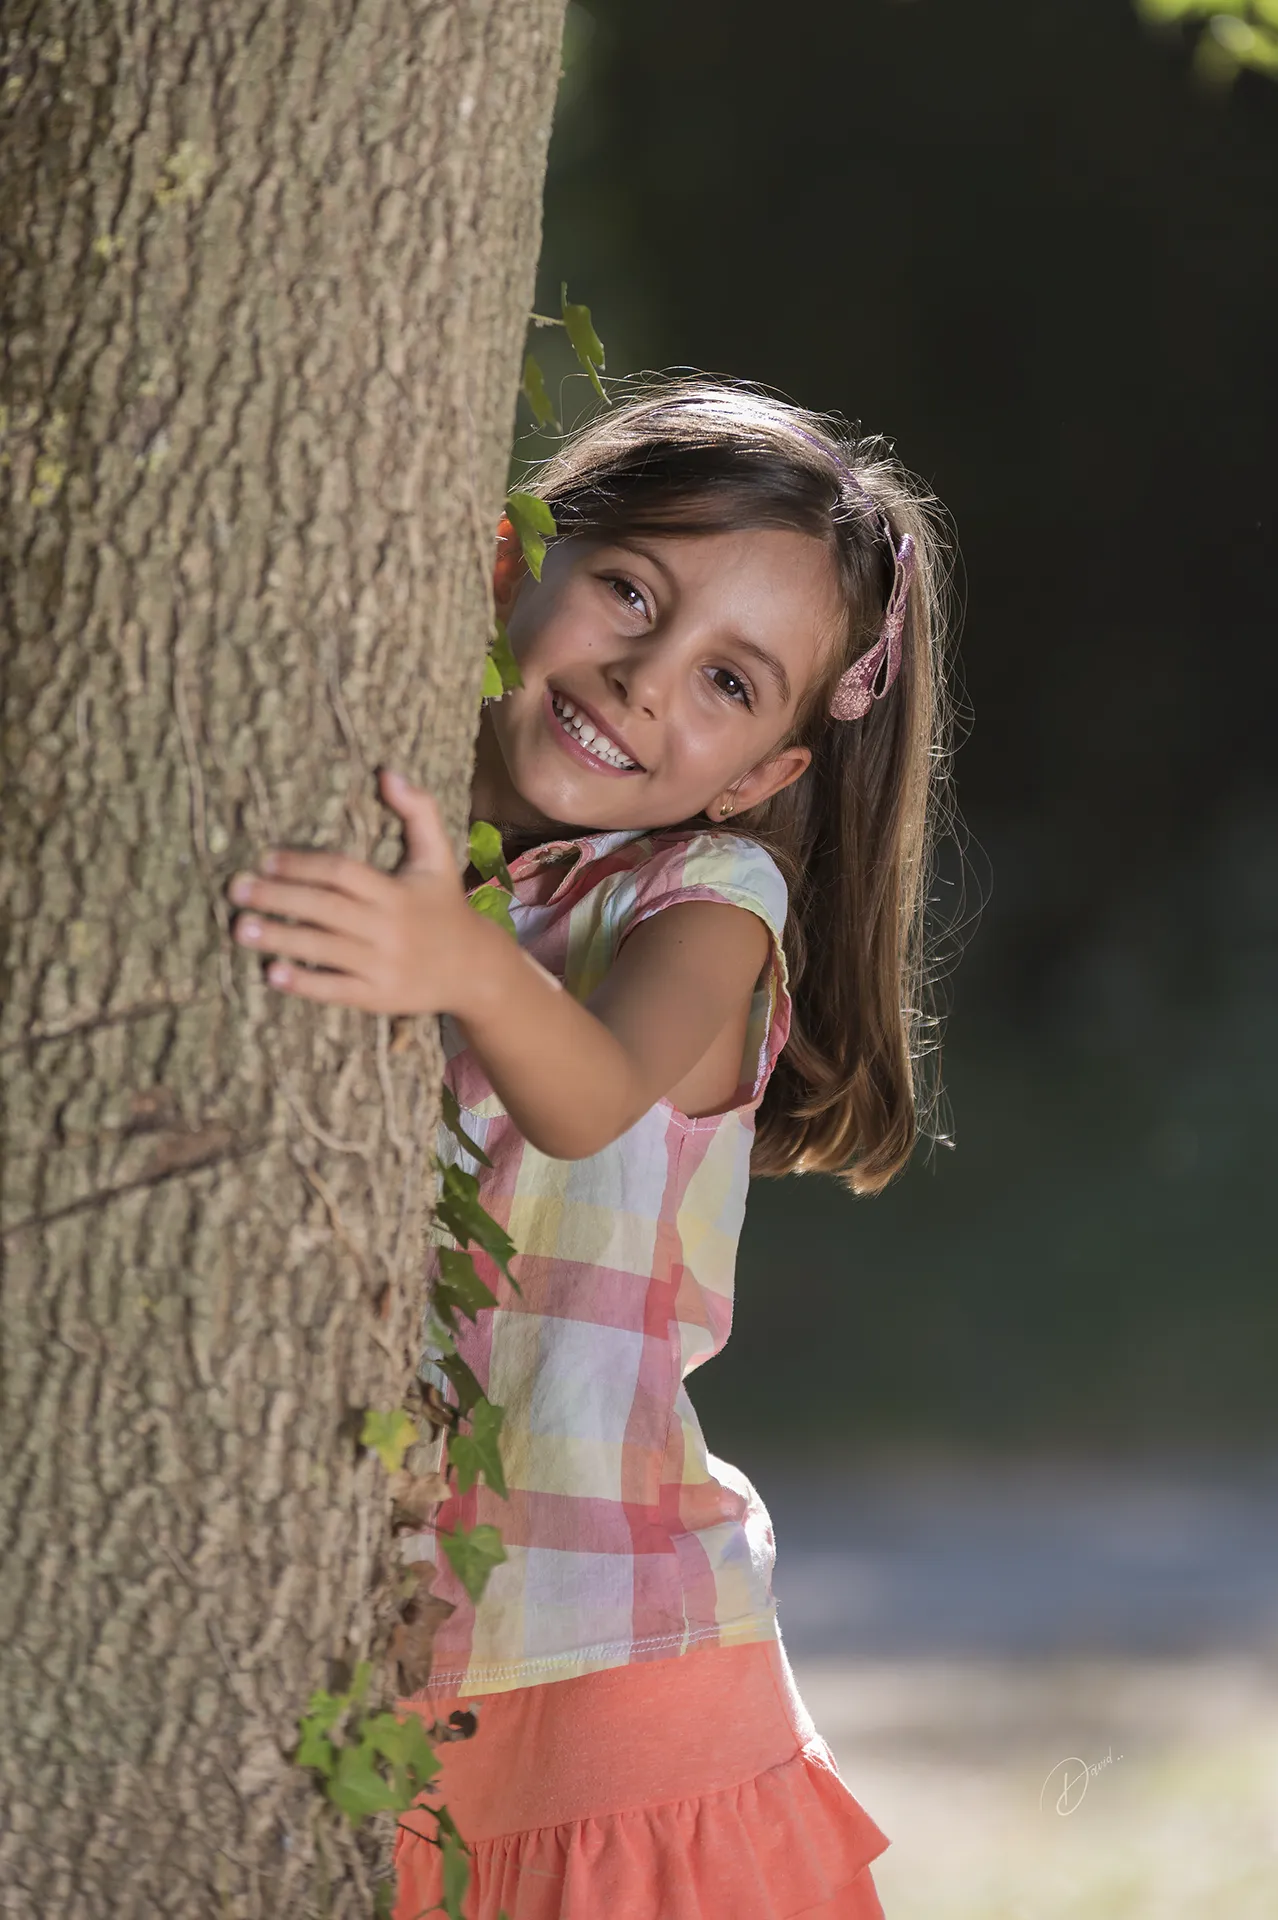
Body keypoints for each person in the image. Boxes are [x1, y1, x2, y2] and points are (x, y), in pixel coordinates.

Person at [227, 377, 956, 1918]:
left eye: (729, 684)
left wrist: (460, 963)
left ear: (761, 778)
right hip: (398, 1677)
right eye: (631, 588)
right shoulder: (429, 843)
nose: (643, 681)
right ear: (513, 556)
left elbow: (595, 1088)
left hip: (622, 1703)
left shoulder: (705, 905)